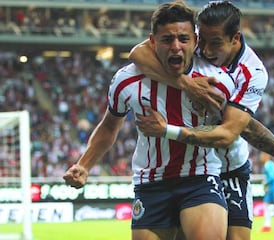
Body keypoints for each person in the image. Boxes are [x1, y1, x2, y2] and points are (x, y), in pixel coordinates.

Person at [130, 1, 274, 240]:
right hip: (190, 170)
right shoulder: (191, 42)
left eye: (215, 42)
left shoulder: (252, 73)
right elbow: (138, 53)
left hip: (230, 168)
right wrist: (186, 84)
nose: (205, 50)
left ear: (235, 38)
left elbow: (235, 130)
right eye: (202, 40)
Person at [63, 1, 237, 240]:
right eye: (167, 39)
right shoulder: (127, 81)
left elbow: (232, 130)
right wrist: (84, 165)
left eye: (183, 39)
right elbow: (108, 127)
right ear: (152, 41)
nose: (176, 47)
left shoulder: (216, 80)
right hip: (151, 181)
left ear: (195, 42)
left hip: (200, 176)